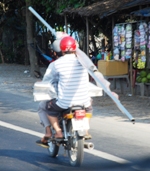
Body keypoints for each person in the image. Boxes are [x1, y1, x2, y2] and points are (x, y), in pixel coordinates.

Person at [36, 36, 92, 147]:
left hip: (64, 102)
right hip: (83, 101)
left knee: (49, 109)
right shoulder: (84, 62)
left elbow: (47, 80)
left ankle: (58, 132)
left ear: (61, 50)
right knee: (89, 107)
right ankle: (85, 131)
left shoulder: (56, 64)